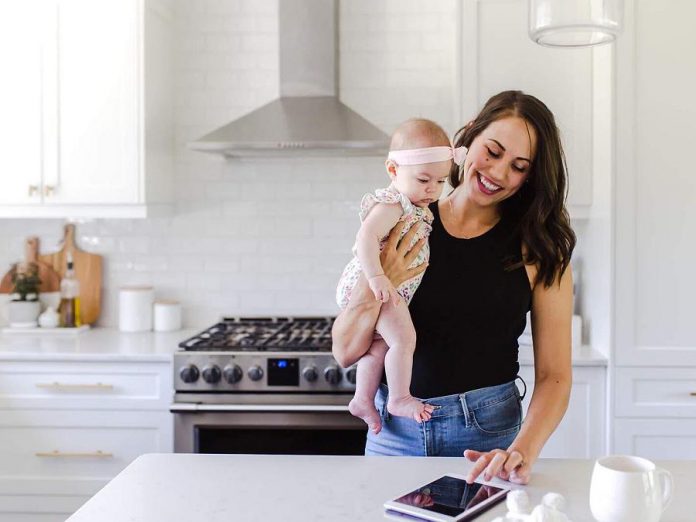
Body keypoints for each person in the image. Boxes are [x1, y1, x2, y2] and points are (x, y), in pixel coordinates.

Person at [332, 91, 576, 486]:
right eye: (492, 151)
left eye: (518, 166)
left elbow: (555, 376)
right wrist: (380, 279)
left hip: (487, 439)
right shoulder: (403, 223)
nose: (498, 172)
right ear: (467, 140)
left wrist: (521, 450)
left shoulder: (540, 250)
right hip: (394, 434)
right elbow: (344, 351)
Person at [336, 118, 462, 432]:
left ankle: (362, 399)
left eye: (440, 181)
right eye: (423, 180)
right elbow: (366, 237)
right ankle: (399, 398)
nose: (432, 189)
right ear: (393, 171)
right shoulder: (395, 204)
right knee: (405, 339)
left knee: (380, 346)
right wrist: (378, 278)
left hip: (387, 284)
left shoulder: (416, 204)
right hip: (376, 283)